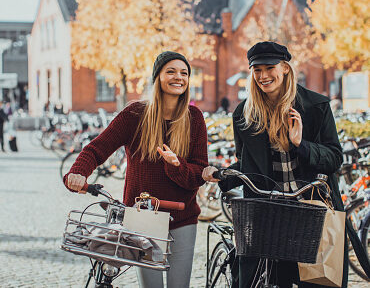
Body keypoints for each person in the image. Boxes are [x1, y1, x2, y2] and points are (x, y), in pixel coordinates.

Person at [202, 41, 369, 287]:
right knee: (265, 278)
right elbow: (247, 164)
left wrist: (301, 144)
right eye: (256, 70)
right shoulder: (244, 114)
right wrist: (222, 175)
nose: (263, 76)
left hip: (311, 212)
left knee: (317, 281)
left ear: (285, 69)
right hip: (268, 214)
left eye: (270, 68)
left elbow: (334, 158)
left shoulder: (316, 107)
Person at [63, 51, 208, 288]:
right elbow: (96, 149)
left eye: (184, 73)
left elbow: (198, 174)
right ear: (157, 77)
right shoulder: (135, 115)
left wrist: (176, 166)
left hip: (183, 217)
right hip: (142, 218)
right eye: (170, 71)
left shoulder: (194, 118)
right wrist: (78, 172)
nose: (178, 77)